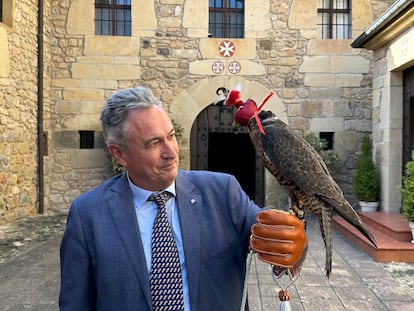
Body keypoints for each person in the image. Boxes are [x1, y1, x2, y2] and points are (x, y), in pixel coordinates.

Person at [59, 86, 307, 311]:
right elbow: (75, 303)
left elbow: (277, 240)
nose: (171, 152)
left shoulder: (222, 192)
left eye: (171, 136)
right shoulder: (88, 215)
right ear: (120, 155)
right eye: (154, 143)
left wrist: (295, 244)